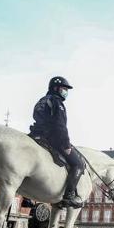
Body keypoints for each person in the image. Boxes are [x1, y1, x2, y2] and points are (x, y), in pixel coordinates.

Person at [29, 76, 84, 208]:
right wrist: (66, 145)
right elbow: (60, 126)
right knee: (78, 164)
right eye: (64, 88)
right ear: (55, 88)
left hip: (36, 135)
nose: (66, 91)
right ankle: (69, 195)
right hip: (53, 138)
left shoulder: (42, 100)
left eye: (67, 89)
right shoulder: (57, 102)